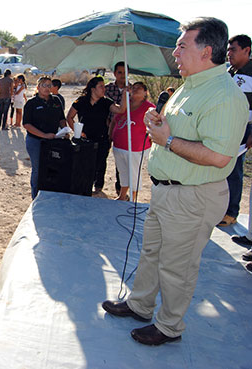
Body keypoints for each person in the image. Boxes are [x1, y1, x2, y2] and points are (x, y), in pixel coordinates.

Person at [102, 18, 248, 346]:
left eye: (182, 45)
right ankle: (140, 305)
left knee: (177, 266)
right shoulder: (191, 85)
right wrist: (160, 122)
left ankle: (169, 326)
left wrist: (167, 141)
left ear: (207, 50)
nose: (175, 52)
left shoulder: (225, 95)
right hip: (168, 191)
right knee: (152, 252)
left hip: (193, 196)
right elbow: (181, 129)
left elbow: (219, 157)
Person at [66, 76, 127, 193]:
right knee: (84, 163)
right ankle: (84, 184)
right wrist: (77, 131)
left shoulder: (106, 102)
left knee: (100, 163)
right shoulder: (81, 101)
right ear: (93, 89)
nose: (104, 89)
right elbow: (69, 117)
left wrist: (124, 95)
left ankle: (98, 186)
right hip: (85, 140)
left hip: (102, 138)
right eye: (101, 86)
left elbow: (121, 110)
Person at [218, 34, 252, 227]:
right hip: (224, 127)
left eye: (233, 50)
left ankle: (231, 212)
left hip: (242, 129)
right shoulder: (228, 71)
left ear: (247, 50)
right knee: (220, 168)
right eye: (228, 50)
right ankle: (219, 208)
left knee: (234, 170)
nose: (229, 53)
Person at [22, 76, 67, 199]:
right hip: (36, 141)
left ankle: (48, 195)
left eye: (49, 85)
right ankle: (35, 197)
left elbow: (61, 119)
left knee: (52, 168)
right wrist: (43, 135)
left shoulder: (56, 100)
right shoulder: (31, 103)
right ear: (38, 87)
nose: (47, 88)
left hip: (53, 140)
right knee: (38, 169)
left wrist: (65, 129)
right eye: (44, 85)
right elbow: (26, 124)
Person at [111, 82, 155, 201]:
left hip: (136, 147)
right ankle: (122, 195)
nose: (135, 90)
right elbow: (115, 121)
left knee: (134, 173)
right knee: (123, 171)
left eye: (139, 88)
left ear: (145, 92)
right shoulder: (126, 105)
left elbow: (155, 126)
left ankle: (133, 198)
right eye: (133, 87)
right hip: (119, 145)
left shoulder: (149, 107)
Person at [105, 61, 127, 195]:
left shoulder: (132, 89)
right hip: (107, 127)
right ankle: (98, 184)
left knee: (121, 159)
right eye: (120, 72)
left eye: (125, 72)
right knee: (102, 155)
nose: (123, 75)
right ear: (115, 74)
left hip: (124, 129)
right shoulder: (107, 89)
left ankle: (120, 188)